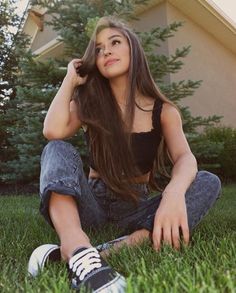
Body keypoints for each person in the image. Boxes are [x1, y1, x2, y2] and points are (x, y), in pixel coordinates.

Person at [28, 16, 221, 292]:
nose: (105, 51)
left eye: (114, 42)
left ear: (134, 50)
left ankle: (113, 249)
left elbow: (185, 158)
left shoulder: (163, 111)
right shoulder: (90, 104)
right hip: (90, 206)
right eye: (98, 48)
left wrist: (174, 193)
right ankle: (77, 244)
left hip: (135, 208)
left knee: (208, 182)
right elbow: (52, 131)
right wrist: (70, 80)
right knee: (56, 149)